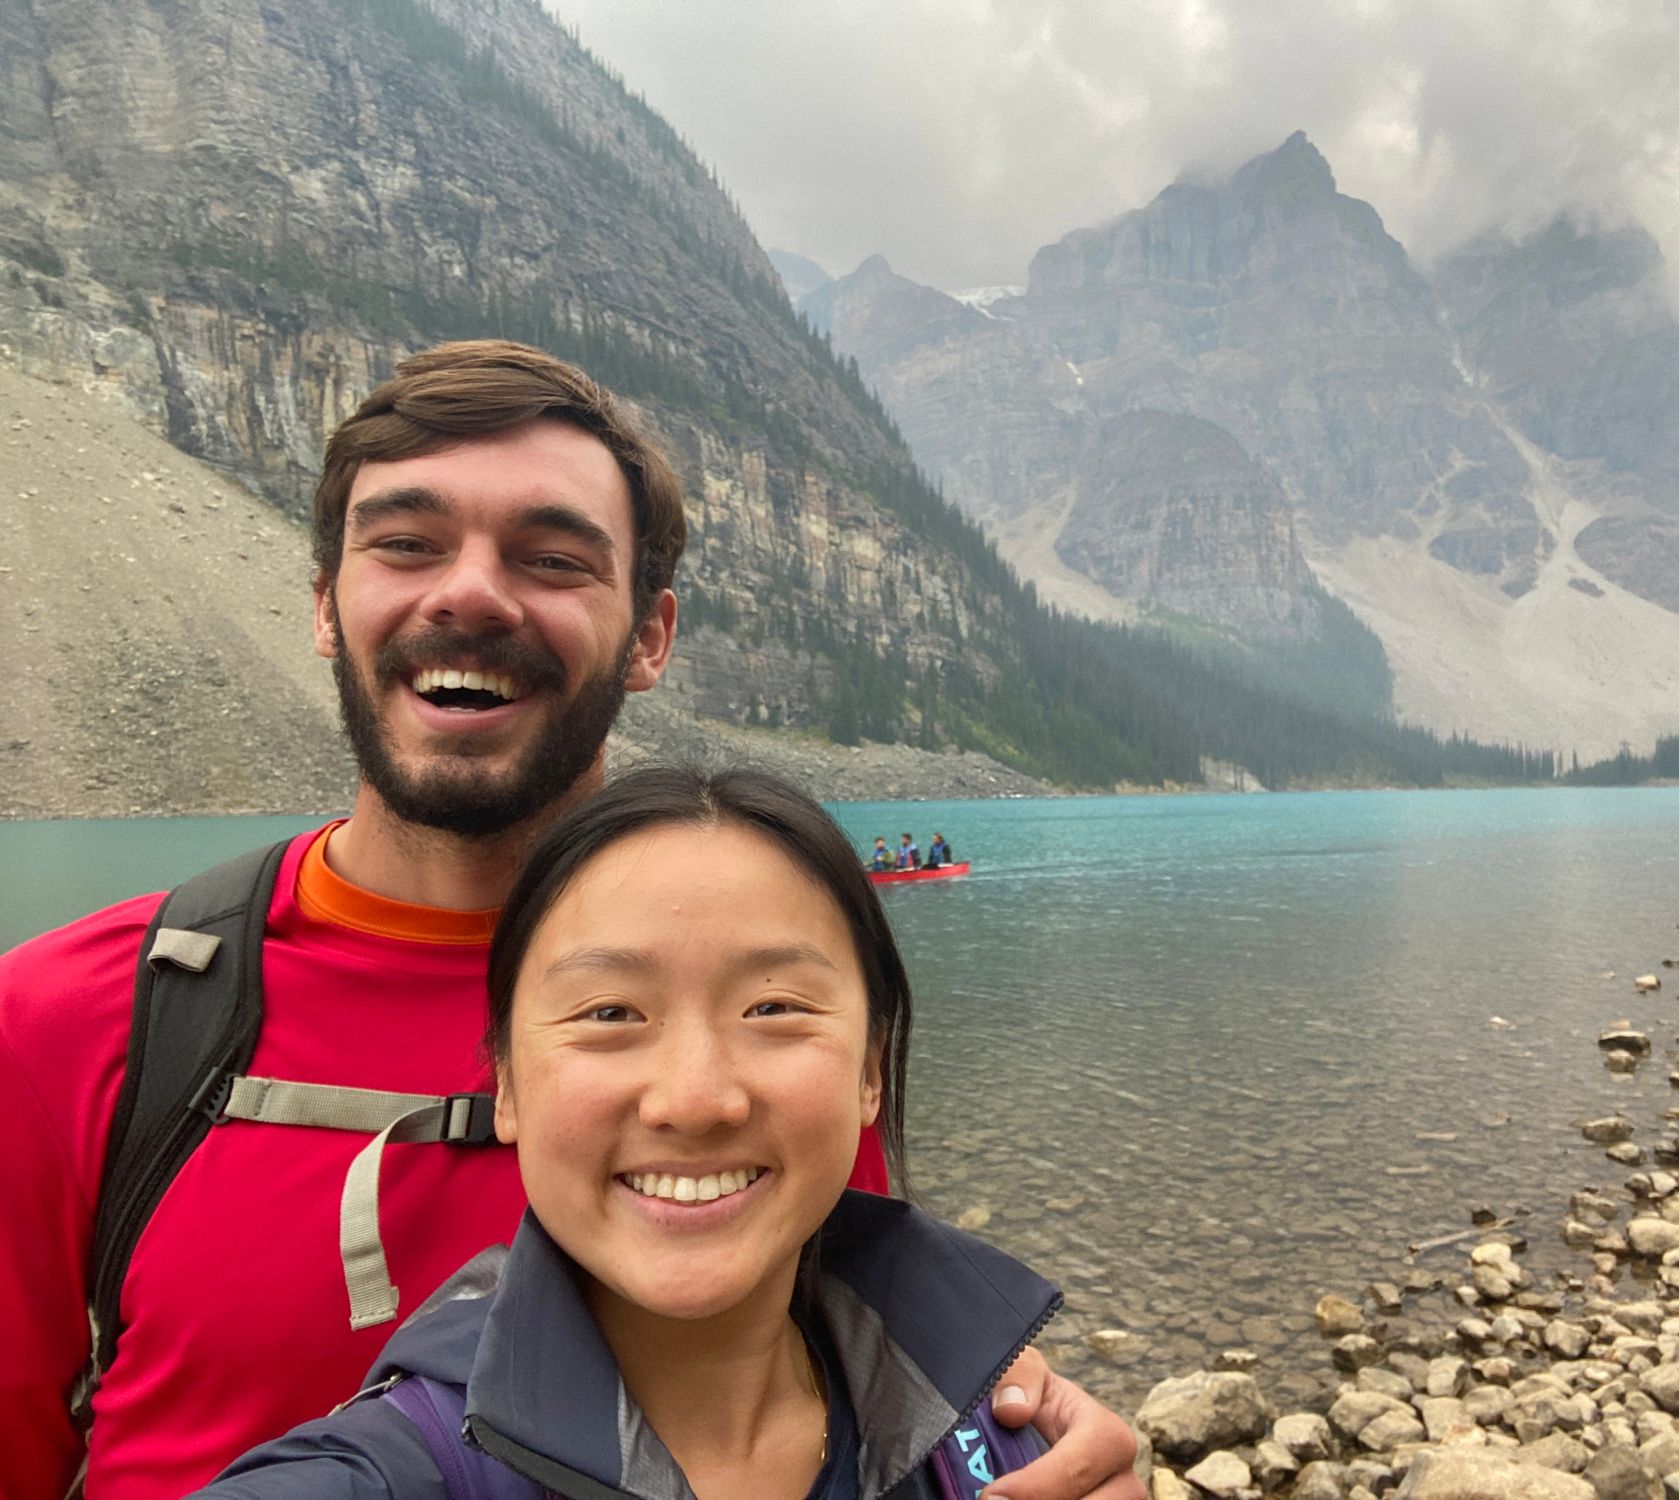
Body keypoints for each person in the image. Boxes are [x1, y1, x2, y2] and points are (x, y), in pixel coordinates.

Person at [0, 341, 1139, 1500]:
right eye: (404, 544)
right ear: (324, 609)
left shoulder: (778, 1037)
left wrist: (992, 1428)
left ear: (651, 636)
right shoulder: (65, 1021)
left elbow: (838, 1378)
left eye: (551, 558)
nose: (470, 593)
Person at [196, 764, 1059, 1499]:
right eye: (609, 1011)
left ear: (870, 1070)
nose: (692, 1099)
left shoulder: (985, 1420)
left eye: (774, 1007)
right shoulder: (396, 1470)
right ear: (507, 1086)